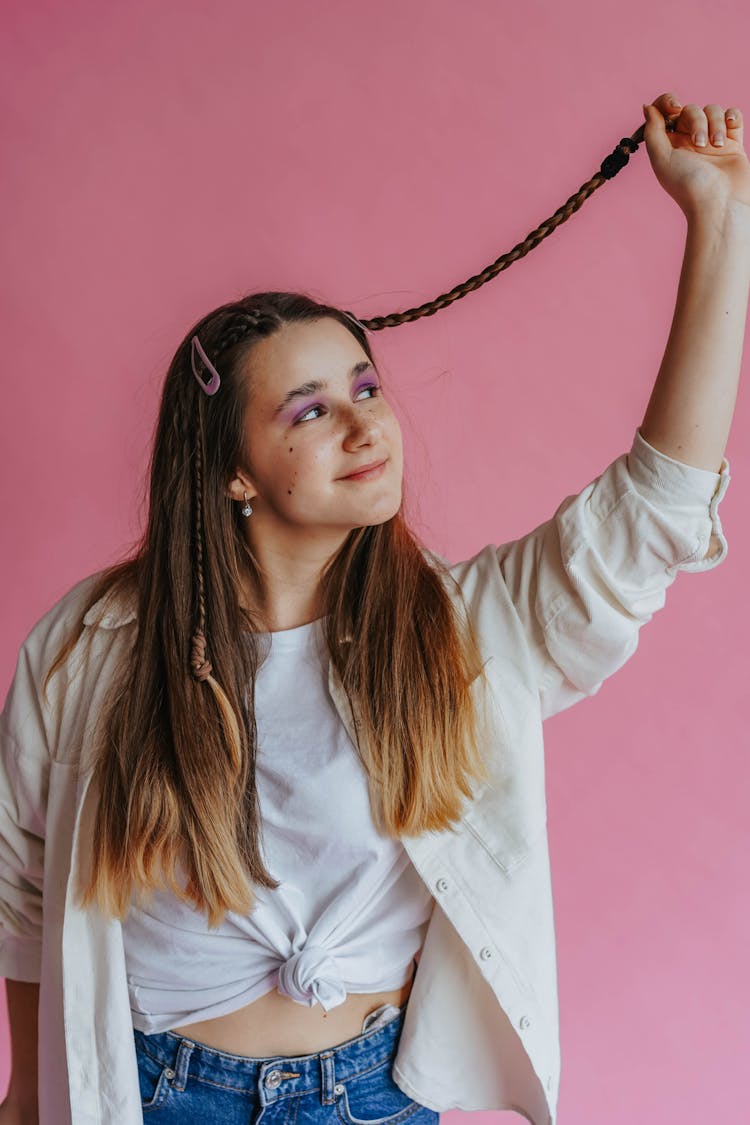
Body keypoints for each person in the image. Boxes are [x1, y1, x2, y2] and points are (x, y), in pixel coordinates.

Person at [0, 91, 748, 1125]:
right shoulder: (89, 647)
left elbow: (654, 513)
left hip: (370, 1095)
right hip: (155, 1093)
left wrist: (720, 223)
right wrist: (27, 1096)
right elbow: (23, 886)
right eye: (309, 409)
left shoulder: (465, 629)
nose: (365, 426)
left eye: (366, 387)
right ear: (233, 473)